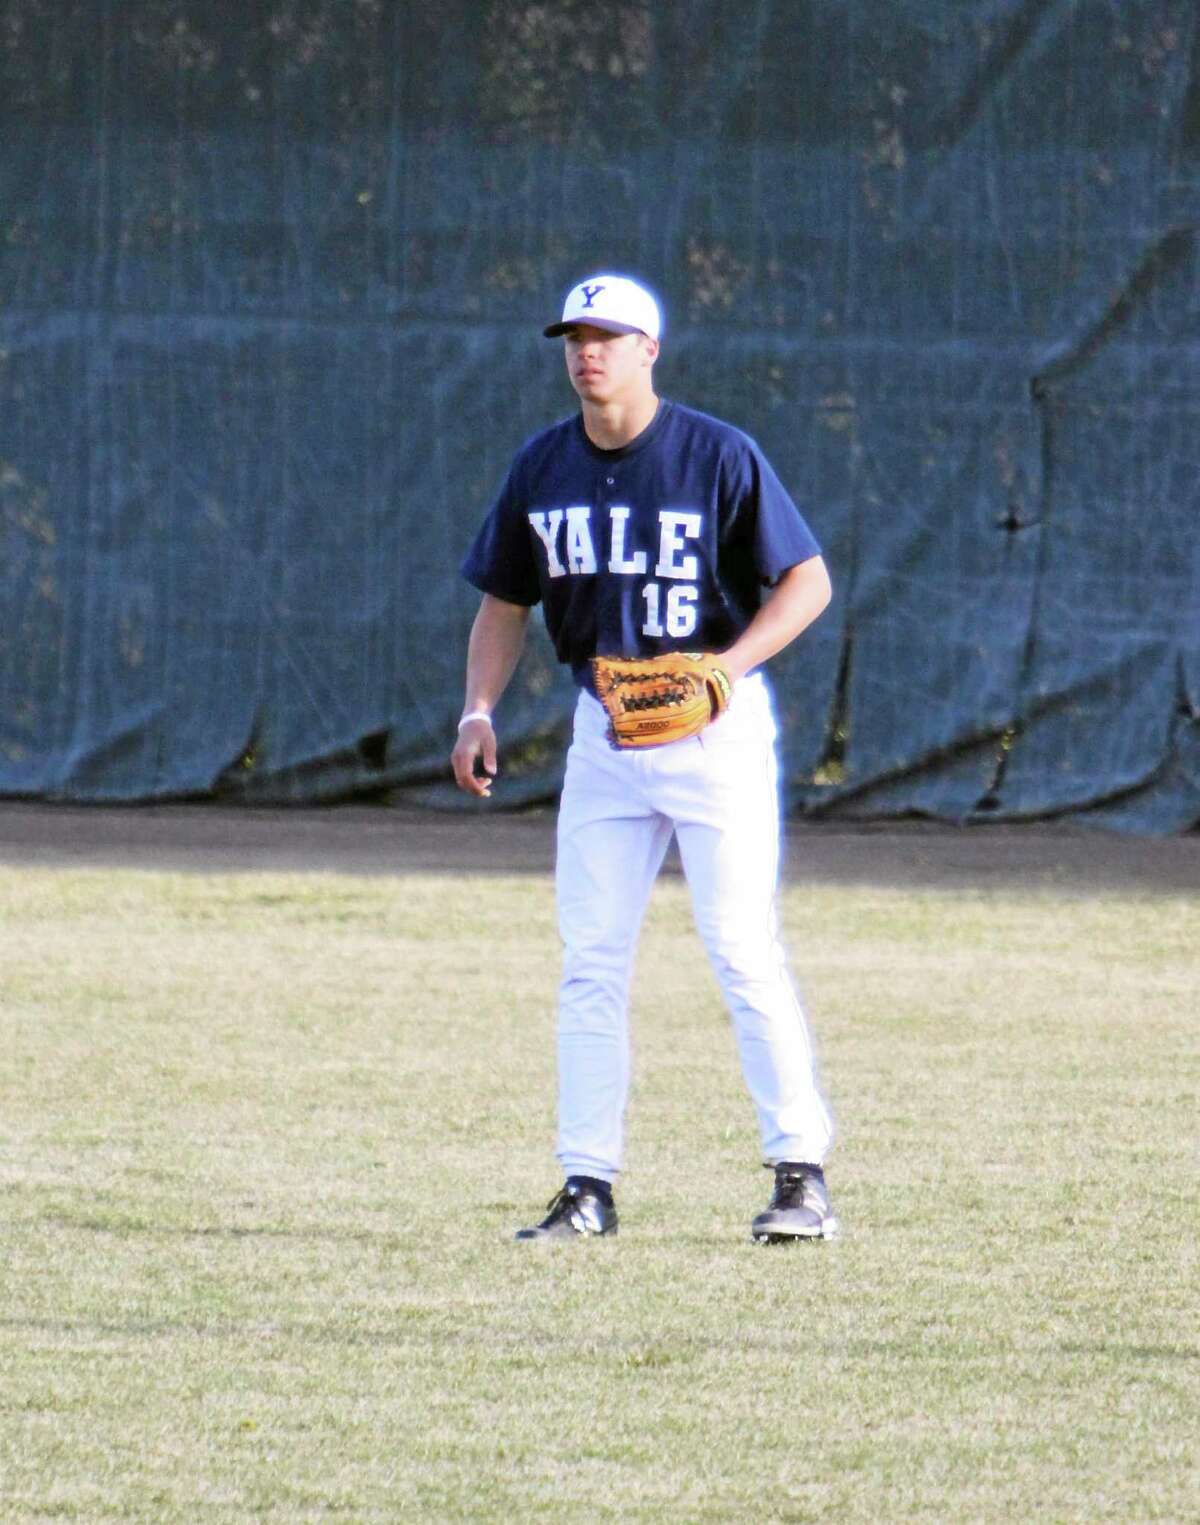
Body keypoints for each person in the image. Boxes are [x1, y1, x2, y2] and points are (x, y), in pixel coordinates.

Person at [451, 273, 837, 1244]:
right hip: (607, 735)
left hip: (715, 733)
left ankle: (801, 1177)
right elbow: (505, 601)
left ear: (648, 351)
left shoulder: (716, 454)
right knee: (590, 962)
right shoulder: (542, 467)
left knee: (742, 949)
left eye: (609, 336)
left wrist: (727, 669)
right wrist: (477, 710)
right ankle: (588, 1187)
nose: (589, 351)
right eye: (577, 336)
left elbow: (808, 580)